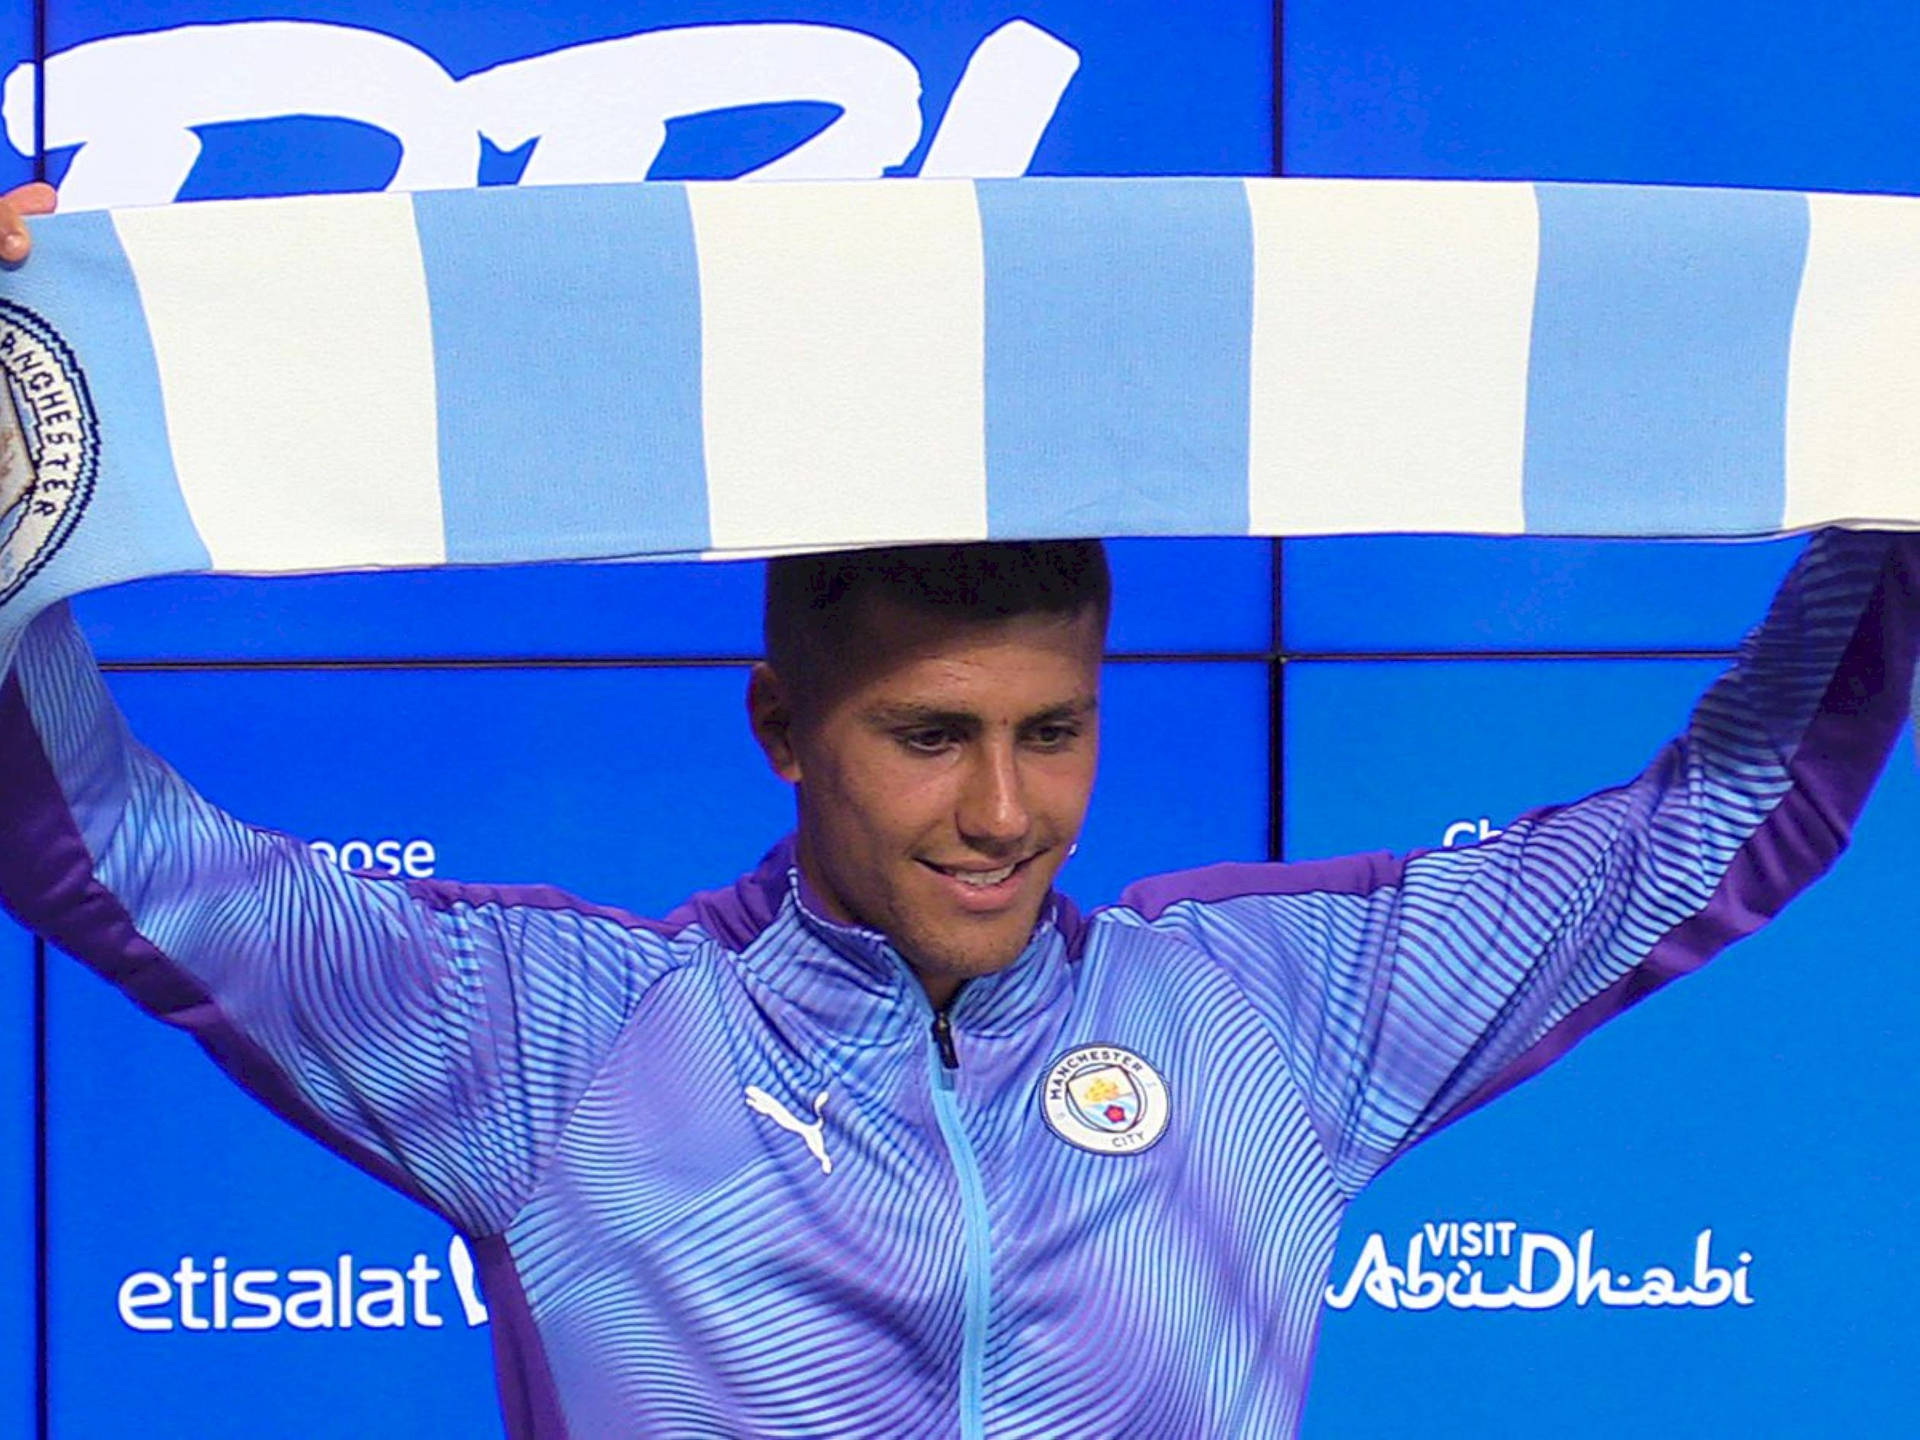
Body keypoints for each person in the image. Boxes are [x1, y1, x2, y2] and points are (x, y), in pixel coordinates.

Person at [1, 191, 1916, 1438]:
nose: (1010, 812)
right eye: (931, 735)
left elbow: (1719, 823)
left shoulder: (1267, 1009)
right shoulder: (557, 1043)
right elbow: (109, 851)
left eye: (1055, 731)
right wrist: (20, 448)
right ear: (777, 720)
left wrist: (1896, 475)